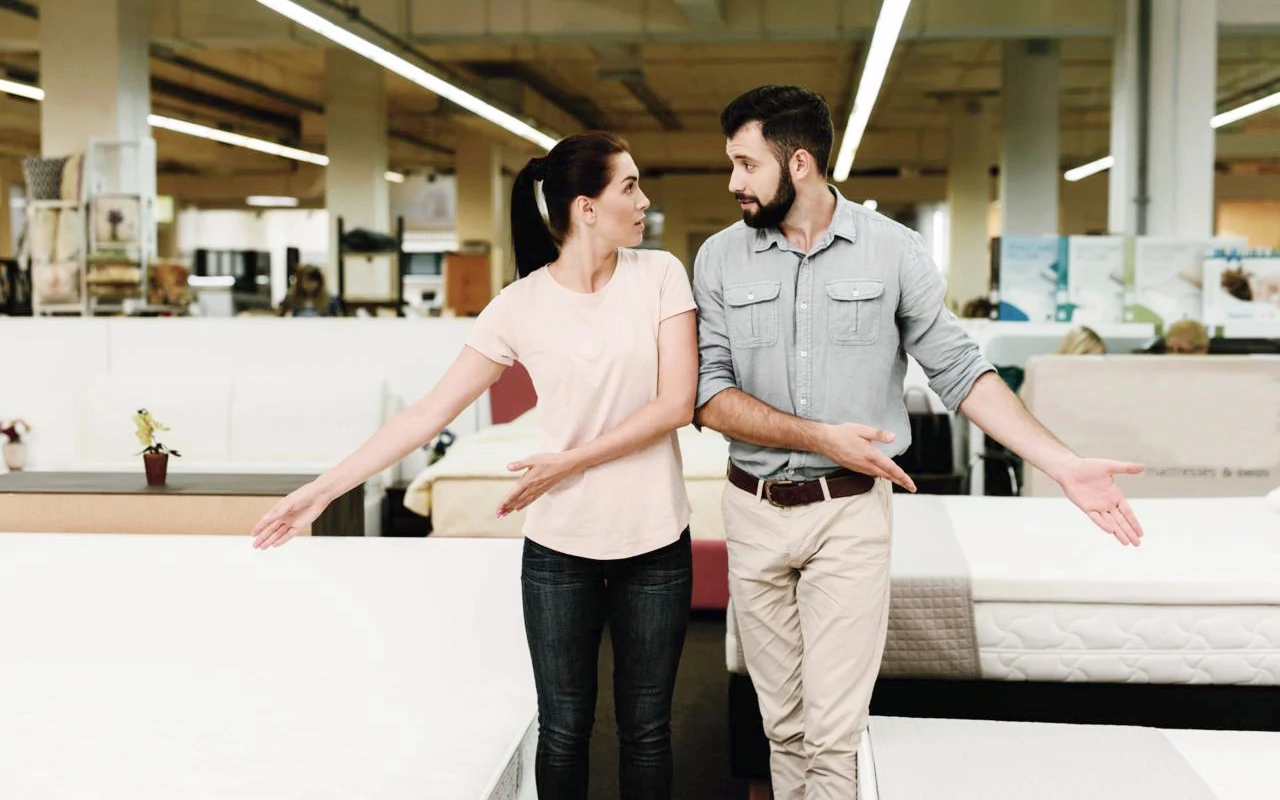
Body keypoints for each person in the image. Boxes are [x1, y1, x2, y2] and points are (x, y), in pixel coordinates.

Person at [691, 85, 1146, 800]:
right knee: (783, 729)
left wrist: (1060, 464)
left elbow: (960, 370)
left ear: (799, 163)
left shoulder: (893, 250)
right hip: (752, 510)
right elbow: (710, 395)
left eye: (746, 165)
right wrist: (821, 436)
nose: (733, 182)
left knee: (832, 736)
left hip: (847, 515)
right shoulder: (720, 258)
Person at [250, 131, 699, 800]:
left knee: (647, 731)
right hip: (560, 548)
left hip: (655, 537)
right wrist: (323, 489)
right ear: (585, 207)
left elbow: (676, 403)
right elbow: (426, 414)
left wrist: (568, 462)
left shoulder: (660, 274)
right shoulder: (520, 305)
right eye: (629, 187)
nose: (644, 201)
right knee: (563, 730)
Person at [278, 264, 343, 317]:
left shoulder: (330, 300)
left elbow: (339, 319)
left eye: (313, 281)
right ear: (300, 282)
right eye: (307, 281)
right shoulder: (290, 298)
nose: (311, 285)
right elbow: (280, 316)